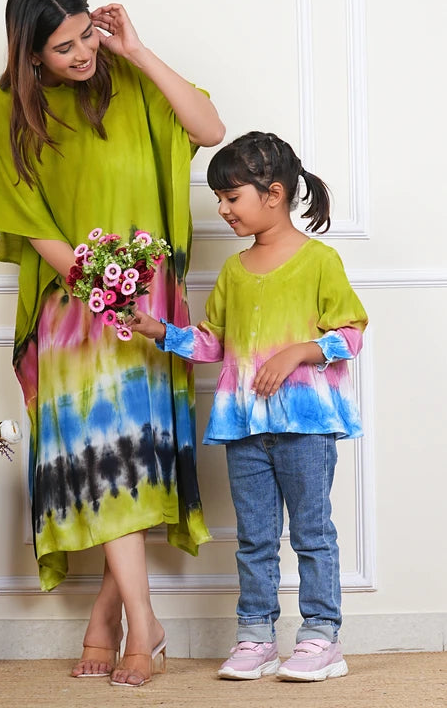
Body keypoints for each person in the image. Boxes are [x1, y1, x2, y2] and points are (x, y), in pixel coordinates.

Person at [0, 0, 225, 687]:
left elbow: (208, 130)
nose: (83, 52)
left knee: (133, 458)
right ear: (31, 54)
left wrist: (136, 50)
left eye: (87, 34)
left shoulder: (128, 78)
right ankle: (143, 625)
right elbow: (25, 218)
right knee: (105, 456)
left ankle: (109, 617)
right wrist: (99, 285)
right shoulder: (7, 108)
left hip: (149, 299)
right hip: (72, 300)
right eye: (64, 47)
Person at [132, 131, 368, 683]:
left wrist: (299, 351)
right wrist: (159, 330)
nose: (223, 208)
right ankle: (256, 637)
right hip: (244, 428)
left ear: (274, 194)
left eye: (231, 196)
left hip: (306, 426)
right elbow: (212, 343)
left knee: (312, 533)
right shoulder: (234, 272)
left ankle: (321, 638)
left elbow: (351, 334)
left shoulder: (320, 261)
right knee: (255, 538)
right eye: (219, 198)